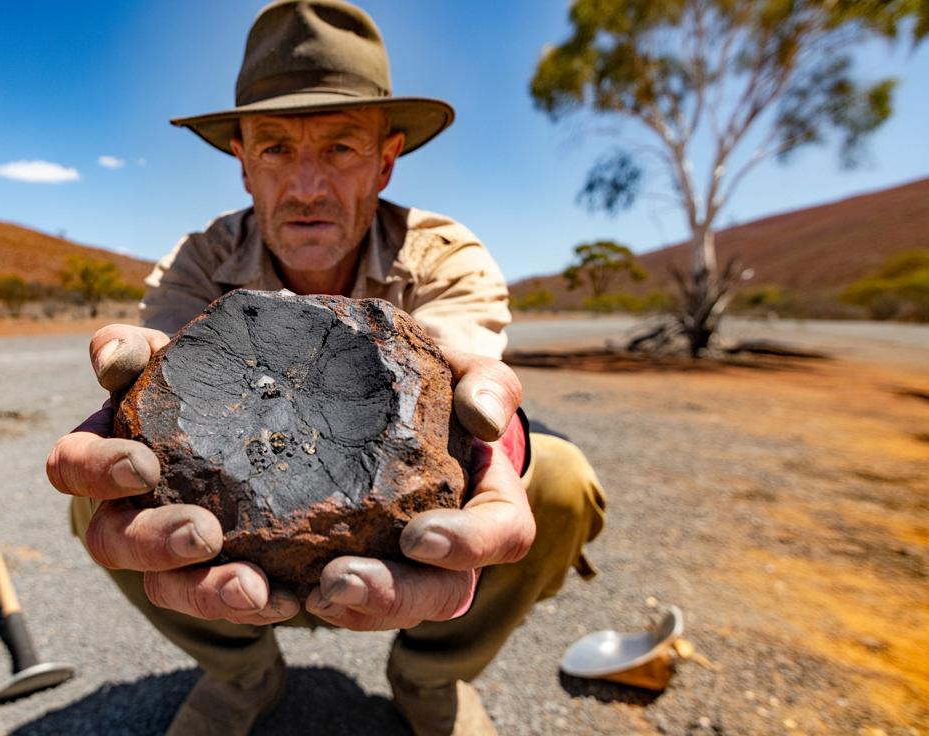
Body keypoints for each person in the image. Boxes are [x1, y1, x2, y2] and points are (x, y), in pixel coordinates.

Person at [45, 2, 607, 734]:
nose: (307, 184)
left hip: (408, 551)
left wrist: (496, 442)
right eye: (276, 149)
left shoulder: (442, 253)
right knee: (104, 490)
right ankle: (243, 674)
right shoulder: (200, 259)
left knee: (558, 481)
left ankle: (429, 679)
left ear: (386, 159)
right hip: (235, 554)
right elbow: (152, 372)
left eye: (340, 148)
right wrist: (123, 410)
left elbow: (470, 386)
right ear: (243, 162)